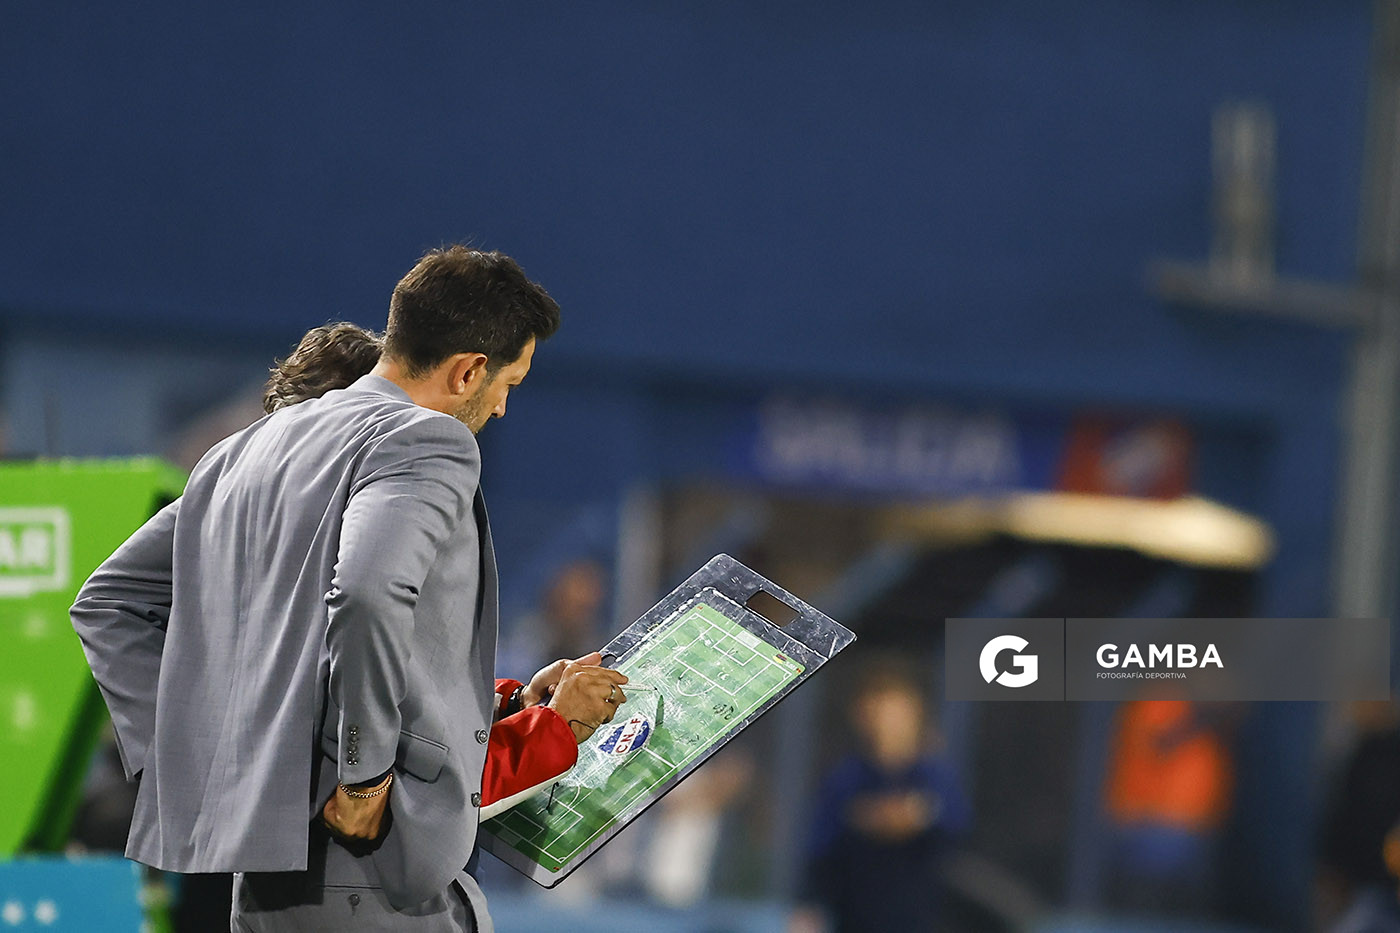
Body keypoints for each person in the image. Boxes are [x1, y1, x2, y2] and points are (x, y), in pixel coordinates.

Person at [71, 246, 628, 932]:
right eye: (510, 380)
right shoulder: (428, 440)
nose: (505, 406)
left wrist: (206, 762)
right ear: (469, 370)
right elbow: (366, 594)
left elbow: (109, 600)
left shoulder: (246, 448)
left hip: (268, 891)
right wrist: (362, 777)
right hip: (377, 885)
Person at [794, 661, 970, 933]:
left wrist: (907, 817)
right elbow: (822, 850)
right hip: (855, 918)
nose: (884, 723)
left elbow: (952, 828)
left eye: (893, 712)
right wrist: (807, 906)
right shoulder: (846, 778)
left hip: (922, 917)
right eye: (875, 712)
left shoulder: (935, 775)